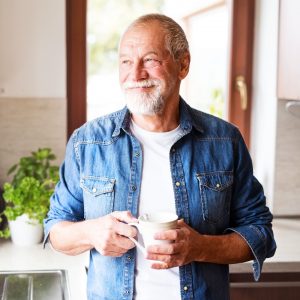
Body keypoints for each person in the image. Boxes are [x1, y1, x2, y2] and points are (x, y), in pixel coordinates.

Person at [44, 13, 276, 300]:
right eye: (126, 62)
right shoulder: (88, 142)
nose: (135, 74)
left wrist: (200, 247)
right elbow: (56, 230)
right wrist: (91, 233)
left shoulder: (224, 141)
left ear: (183, 64)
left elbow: (260, 233)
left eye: (150, 60)